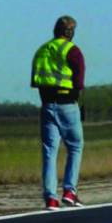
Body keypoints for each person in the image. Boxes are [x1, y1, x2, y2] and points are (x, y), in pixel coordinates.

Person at [31, 15, 86, 210]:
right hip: (67, 104)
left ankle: (51, 198)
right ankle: (70, 191)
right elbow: (79, 83)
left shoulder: (41, 51)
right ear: (70, 32)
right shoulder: (73, 51)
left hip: (46, 105)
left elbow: (36, 82)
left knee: (49, 152)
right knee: (76, 146)